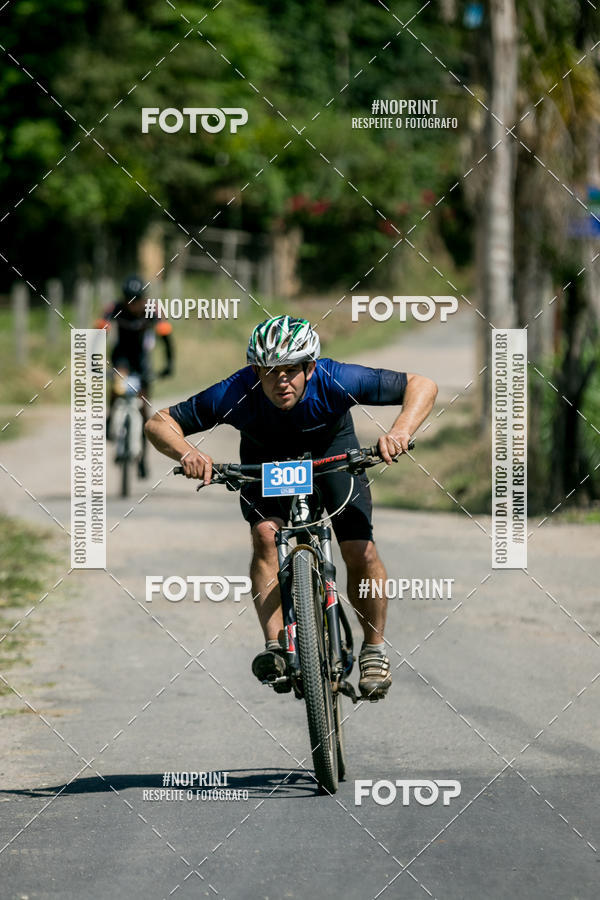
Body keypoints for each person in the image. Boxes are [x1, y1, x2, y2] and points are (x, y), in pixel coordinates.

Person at [145, 315, 437, 699]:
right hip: (266, 464)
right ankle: (277, 648)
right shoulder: (235, 392)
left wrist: (400, 431)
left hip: (331, 457)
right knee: (266, 535)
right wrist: (188, 452)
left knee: (358, 549)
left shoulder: (337, 379)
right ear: (256, 370)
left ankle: (374, 649)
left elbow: (422, 385)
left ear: (309, 367)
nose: (280, 380)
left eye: (290, 370)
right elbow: (159, 422)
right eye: (269, 371)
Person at [96, 275, 174, 477]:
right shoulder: (113, 308)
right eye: (129, 299)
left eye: (137, 300)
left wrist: (169, 364)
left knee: (143, 413)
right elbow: (98, 334)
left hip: (142, 361)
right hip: (121, 357)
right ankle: (111, 417)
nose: (133, 305)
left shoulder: (153, 310)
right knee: (117, 386)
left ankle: (142, 460)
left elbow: (166, 338)